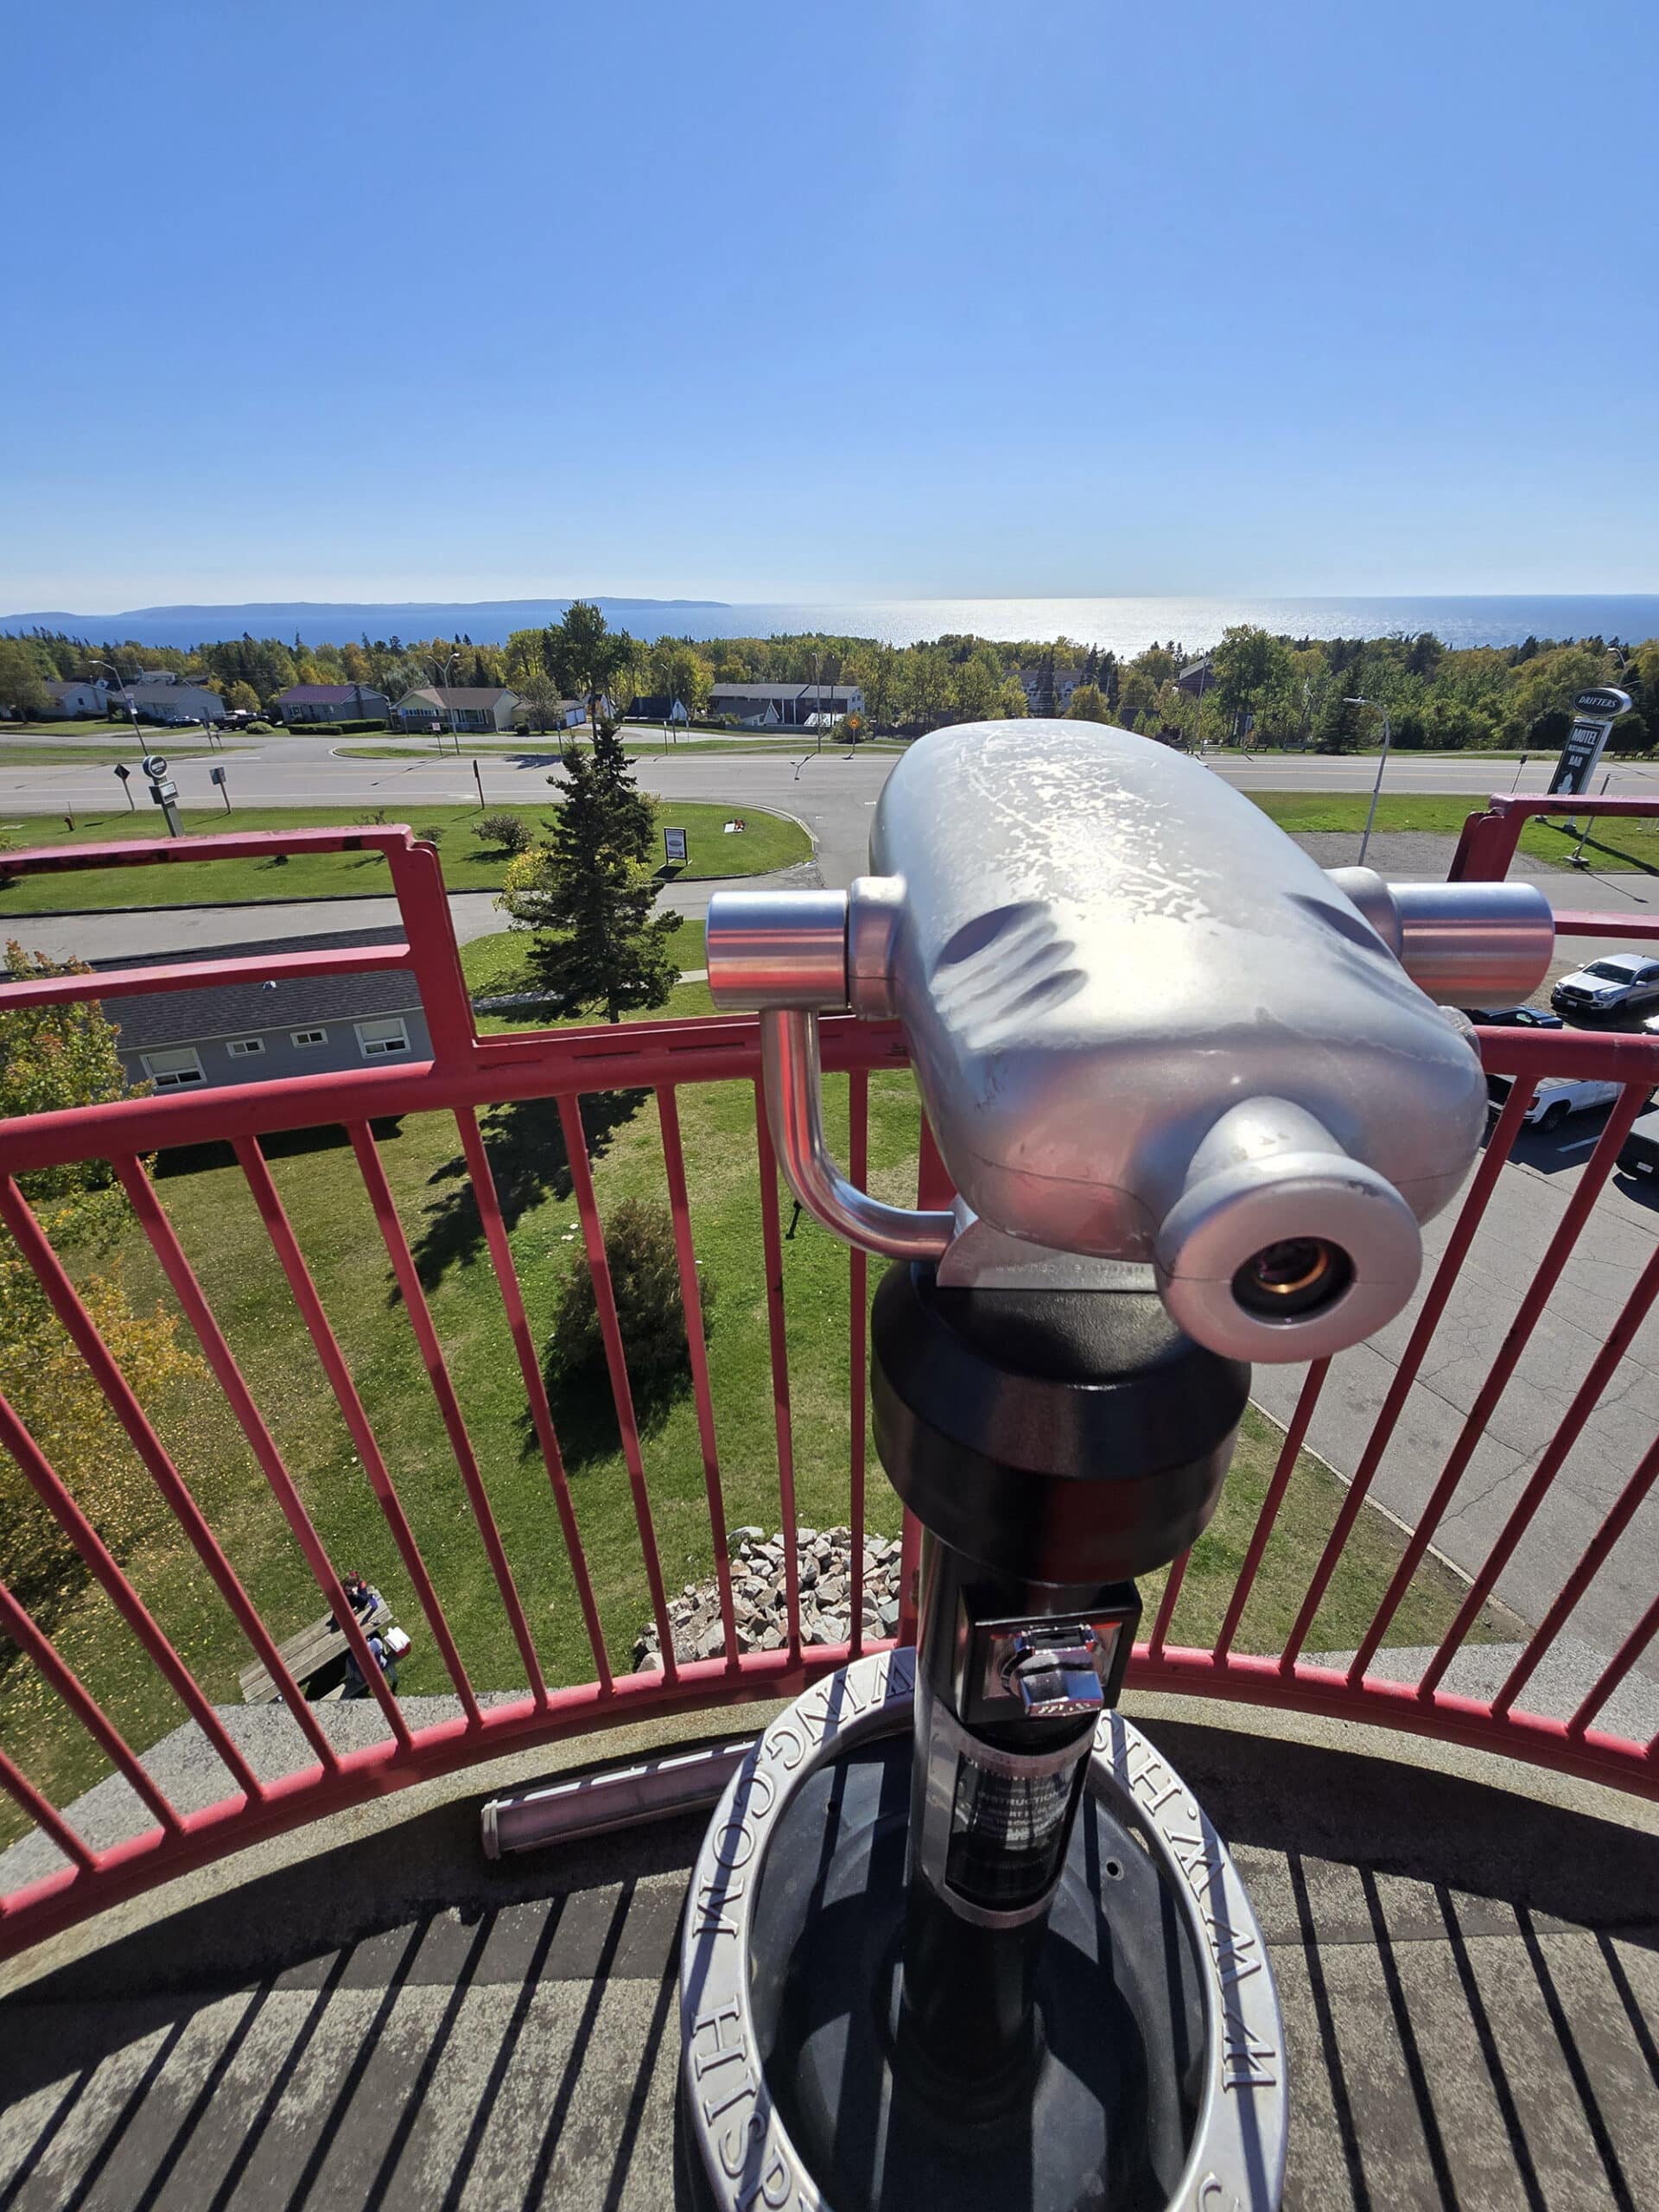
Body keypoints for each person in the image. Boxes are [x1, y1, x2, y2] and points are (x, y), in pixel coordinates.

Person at [343, 1629, 398, 1699]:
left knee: (351, 1669)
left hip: (361, 1676)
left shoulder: (356, 1654)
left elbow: (351, 1667)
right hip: (373, 1672)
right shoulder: (377, 1648)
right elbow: (382, 1658)